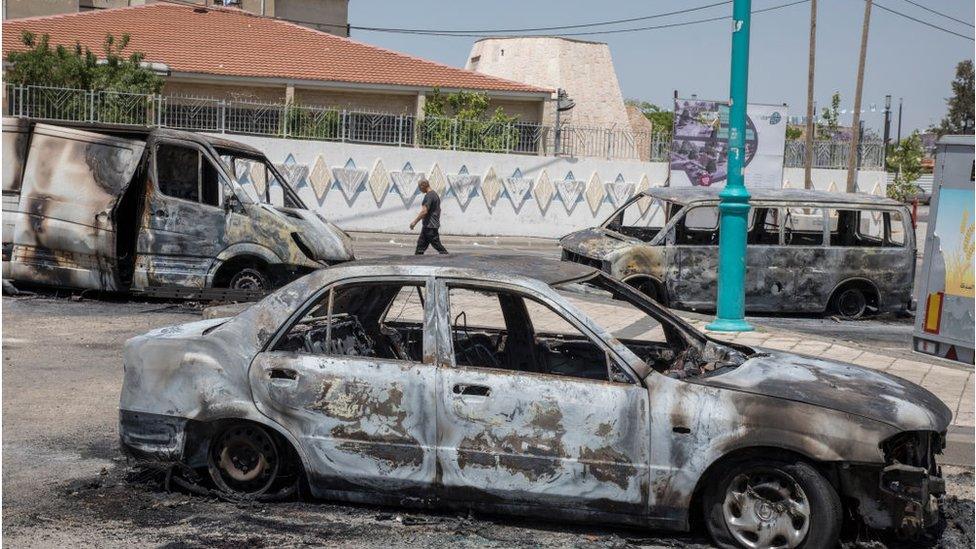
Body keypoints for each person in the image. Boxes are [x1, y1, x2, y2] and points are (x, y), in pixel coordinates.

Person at [409, 179, 448, 255]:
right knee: (420, 246)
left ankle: (449, 259)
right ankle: (417, 261)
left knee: (437, 245)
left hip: (430, 226)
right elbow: (439, 210)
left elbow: (424, 211)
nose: (419, 189)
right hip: (429, 226)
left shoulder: (429, 196)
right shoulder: (435, 195)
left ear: (423, 185)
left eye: (419, 187)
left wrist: (414, 222)